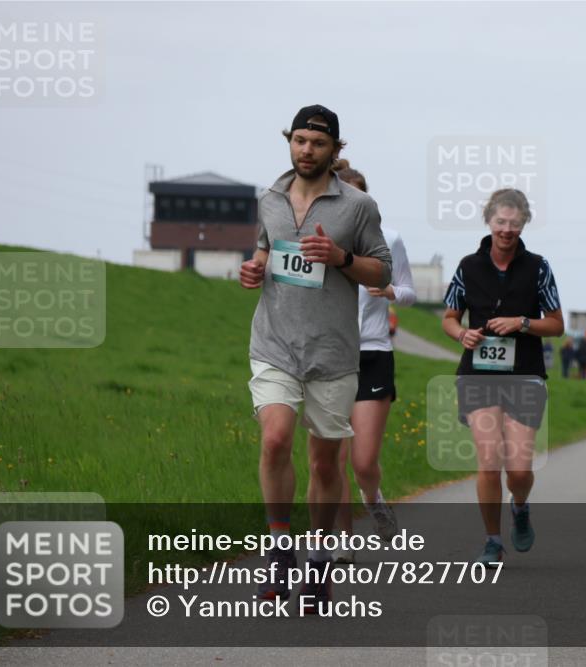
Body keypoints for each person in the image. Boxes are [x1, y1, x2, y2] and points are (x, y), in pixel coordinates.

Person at [239, 105, 392, 613]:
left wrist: (342, 259)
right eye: (300, 141)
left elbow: (379, 274)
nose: (307, 150)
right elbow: (266, 247)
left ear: (335, 150)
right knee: (276, 437)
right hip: (275, 343)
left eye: (318, 143)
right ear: (290, 142)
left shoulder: (358, 207)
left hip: (332, 352)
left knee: (327, 463)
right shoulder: (270, 198)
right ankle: (280, 549)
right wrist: (256, 269)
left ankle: (319, 565)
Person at [441, 188, 564, 567]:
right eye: (500, 222)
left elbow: (557, 325)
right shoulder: (468, 266)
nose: (507, 230)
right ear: (488, 221)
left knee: (520, 469)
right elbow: (448, 318)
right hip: (478, 374)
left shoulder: (539, 267)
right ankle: (492, 541)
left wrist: (522, 322)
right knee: (489, 459)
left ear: (524, 223)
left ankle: (521, 505)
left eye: (514, 223)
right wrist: (463, 334)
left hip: (524, 375)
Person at [324, 161, 416, 564]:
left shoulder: (389, 239)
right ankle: (343, 540)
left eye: (357, 194)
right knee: (335, 457)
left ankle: (375, 500)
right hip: (329, 355)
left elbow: (411, 291)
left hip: (374, 352)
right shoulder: (319, 241)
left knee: (363, 462)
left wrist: (392, 291)